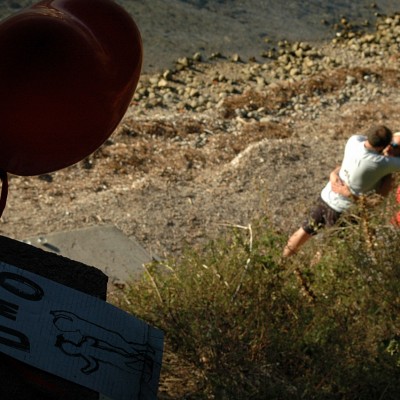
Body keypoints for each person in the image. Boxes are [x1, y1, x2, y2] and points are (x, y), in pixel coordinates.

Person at [283, 125, 400, 257]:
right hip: (343, 211)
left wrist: (333, 174)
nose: (391, 147)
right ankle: (312, 274)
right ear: (382, 146)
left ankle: (281, 262)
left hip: (326, 197)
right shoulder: (382, 163)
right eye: (391, 144)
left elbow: (347, 163)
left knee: (303, 232)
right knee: (328, 249)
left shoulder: (353, 141)